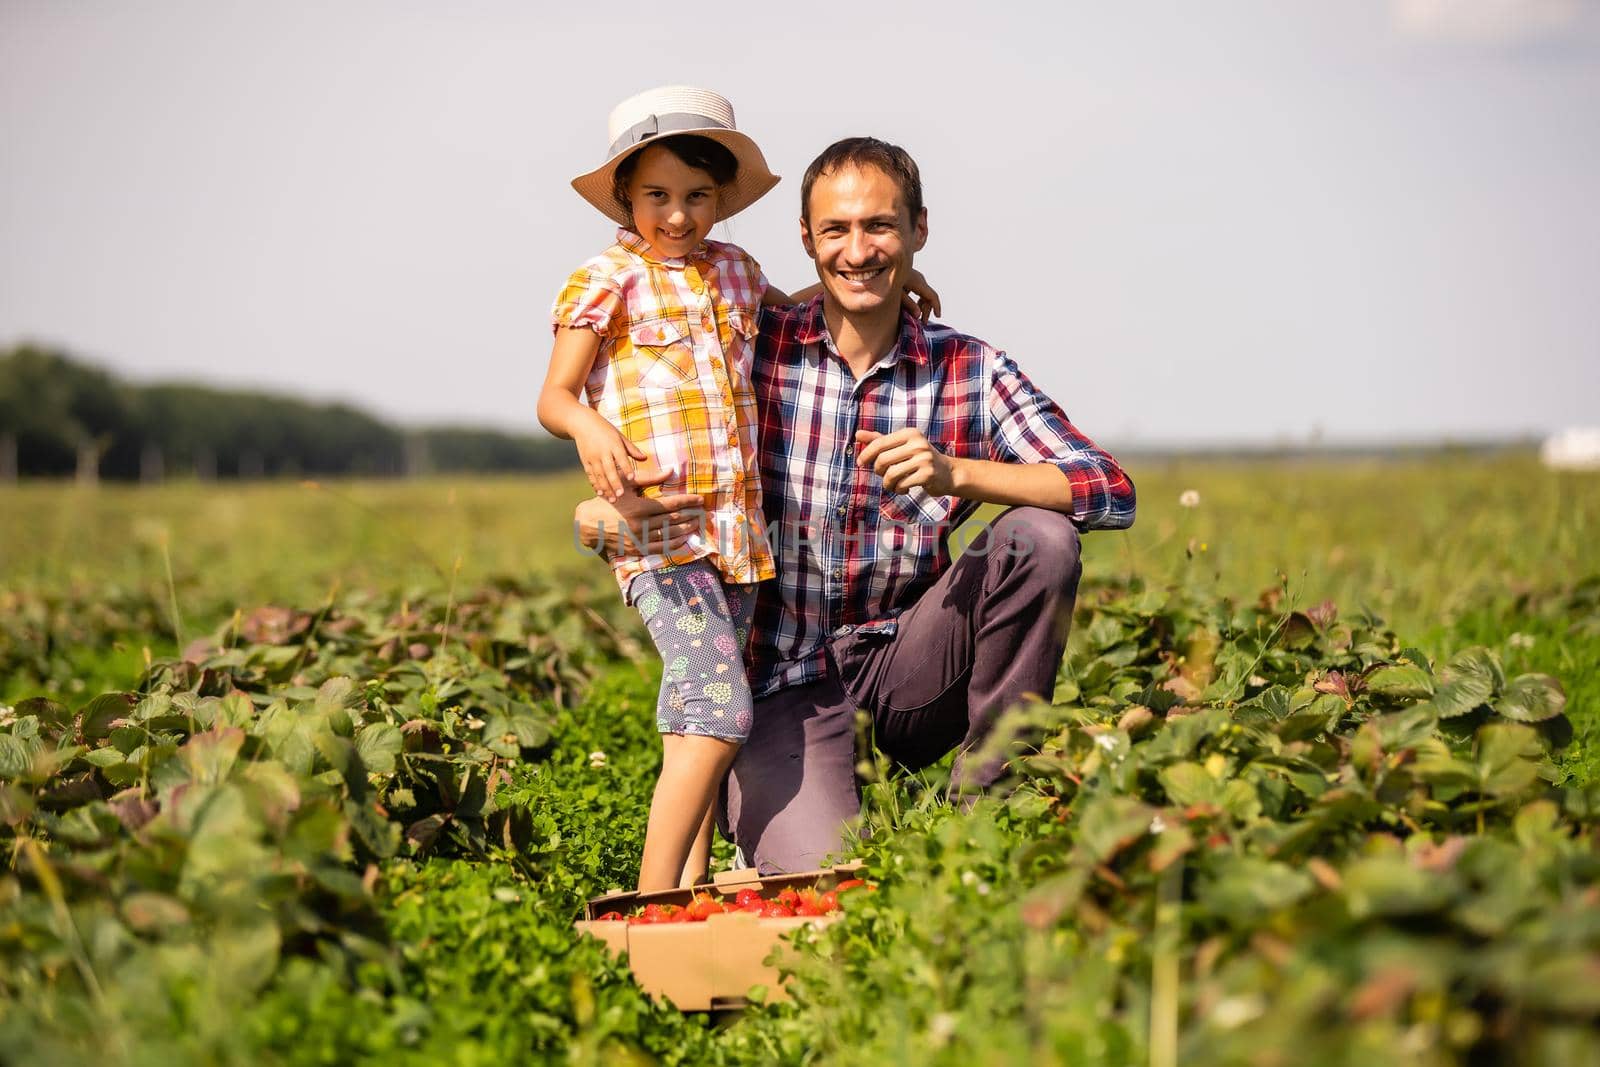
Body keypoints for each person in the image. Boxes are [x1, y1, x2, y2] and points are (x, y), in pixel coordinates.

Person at [576, 136, 1136, 874]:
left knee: (1040, 538)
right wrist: (594, 514)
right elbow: (655, 423)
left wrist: (958, 473)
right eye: (836, 230)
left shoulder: (968, 368)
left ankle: (988, 812)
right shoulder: (755, 347)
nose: (858, 249)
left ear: (918, 231)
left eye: (880, 226)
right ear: (806, 241)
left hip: (910, 666)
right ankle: (815, 814)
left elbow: (1109, 489)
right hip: (783, 685)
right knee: (832, 882)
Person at [540, 90, 937, 891]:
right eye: (657, 196)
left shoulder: (736, 272)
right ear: (626, 197)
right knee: (720, 712)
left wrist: (903, 280)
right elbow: (554, 396)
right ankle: (652, 901)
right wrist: (592, 432)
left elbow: (797, 312)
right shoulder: (605, 280)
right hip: (661, 534)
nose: (678, 216)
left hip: (739, 539)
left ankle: (693, 886)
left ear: (721, 199)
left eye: (697, 197)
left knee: (691, 718)